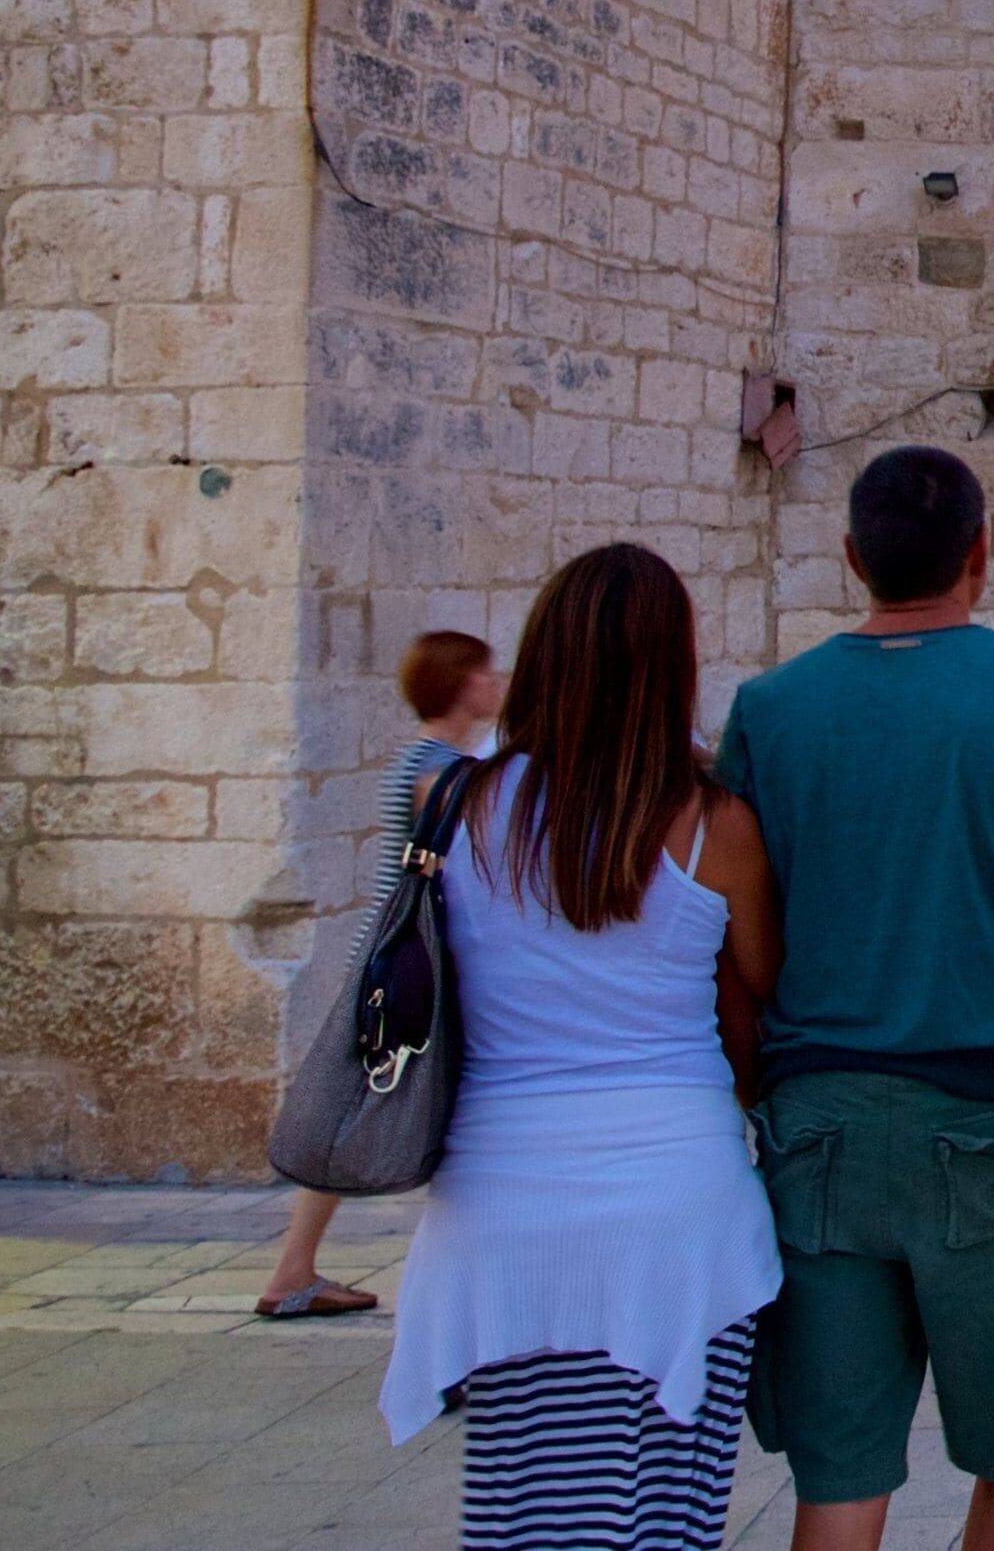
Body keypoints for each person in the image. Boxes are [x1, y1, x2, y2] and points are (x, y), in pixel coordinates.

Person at [718, 446, 994, 1551]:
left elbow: (737, 943)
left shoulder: (769, 713)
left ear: (853, 557)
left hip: (824, 1134)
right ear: (982, 554)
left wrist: (783, 1074)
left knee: (840, 1474)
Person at [377, 547, 784, 1551]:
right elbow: (768, 992)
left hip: (504, 1200)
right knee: (667, 1513)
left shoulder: (456, 807)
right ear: (674, 666)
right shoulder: (714, 824)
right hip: (677, 1208)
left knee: (528, 1506)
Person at [262, 629, 505, 1321]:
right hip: (407, 971)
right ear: (460, 683)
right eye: (485, 673)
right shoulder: (437, 768)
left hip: (401, 964)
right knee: (382, 1111)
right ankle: (309, 1275)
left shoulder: (442, 760)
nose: (497, 682)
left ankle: (294, 1270)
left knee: (362, 1109)